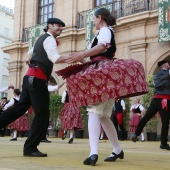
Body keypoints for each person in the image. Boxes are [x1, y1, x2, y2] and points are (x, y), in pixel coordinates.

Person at [56, 8, 148, 166]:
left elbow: (102, 47)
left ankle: (93, 153)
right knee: (104, 116)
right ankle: (117, 149)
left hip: (102, 73)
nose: (93, 21)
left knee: (93, 111)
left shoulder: (105, 30)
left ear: (99, 18)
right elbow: (97, 51)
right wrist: (76, 57)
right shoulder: (107, 30)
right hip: (105, 72)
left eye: (94, 18)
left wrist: (81, 55)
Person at [0, 17, 68, 157]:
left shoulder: (41, 39)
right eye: (58, 26)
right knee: (42, 113)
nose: (61, 28)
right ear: (49, 26)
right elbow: (55, 58)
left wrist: (28, 59)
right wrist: (74, 57)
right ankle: (30, 147)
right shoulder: (48, 39)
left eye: (62, 26)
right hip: (37, 79)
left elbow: (30, 53)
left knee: (20, 107)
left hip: (29, 77)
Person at [132, 60, 170, 150]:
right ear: (165, 65)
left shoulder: (156, 76)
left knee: (146, 117)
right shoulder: (168, 73)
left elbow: (157, 85)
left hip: (155, 99)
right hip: (164, 100)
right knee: (165, 123)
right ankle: (163, 143)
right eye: (169, 64)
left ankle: (136, 134)